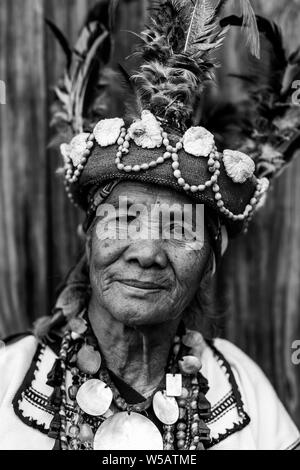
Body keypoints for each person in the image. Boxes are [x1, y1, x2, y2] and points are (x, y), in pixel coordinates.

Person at [0, 0, 299, 450]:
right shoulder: (9, 377)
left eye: (180, 229)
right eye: (122, 218)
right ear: (89, 236)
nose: (145, 251)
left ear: (210, 262)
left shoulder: (241, 389)